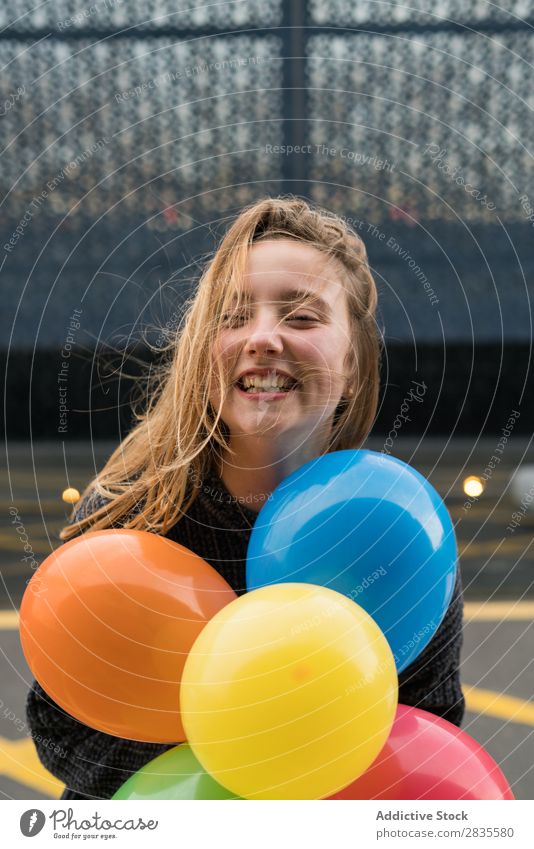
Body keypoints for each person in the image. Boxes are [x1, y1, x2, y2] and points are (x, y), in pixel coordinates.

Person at [26, 196, 465, 800]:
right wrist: (233, 757)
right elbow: (60, 730)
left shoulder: (396, 530)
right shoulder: (129, 515)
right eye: (233, 317)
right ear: (207, 355)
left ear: (355, 365)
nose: (262, 337)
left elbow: (429, 730)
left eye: (303, 317)